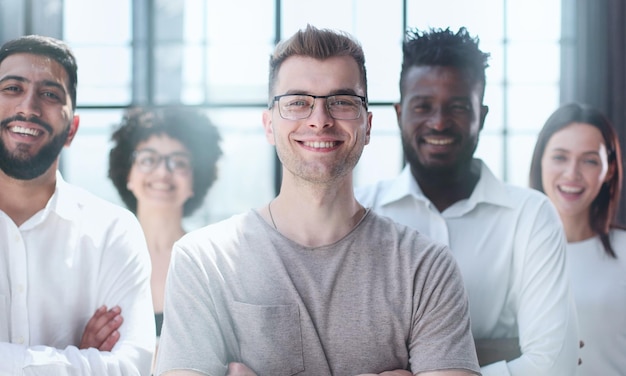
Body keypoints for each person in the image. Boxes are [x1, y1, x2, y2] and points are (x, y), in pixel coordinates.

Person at [155, 25, 480, 376]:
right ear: (269, 125)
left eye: (341, 102)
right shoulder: (205, 261)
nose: (320, 120)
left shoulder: (425, 267)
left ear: (367, 126)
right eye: (297, 103)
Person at [355, 27, 579, 375]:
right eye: (423, 106)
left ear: (483, 115)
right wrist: (497, 353)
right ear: (400, 114)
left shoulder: (531, 216)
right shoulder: (360, 213)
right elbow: (341, 356)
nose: (439, 122)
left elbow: (555, 366)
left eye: (458, 106)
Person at [0, 35, 154, 374]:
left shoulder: (113, 230)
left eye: (50, 94)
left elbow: (132, 367)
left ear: (72, 129)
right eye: (12, 88)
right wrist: (79, 360)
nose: (28, 106)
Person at [108, 106, 222, 369]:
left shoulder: (211, 261)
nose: (162, 173)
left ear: (196, 179)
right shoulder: (105, 255)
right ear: (128, 173)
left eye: (179, 162)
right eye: (148, 159)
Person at [529, 102, 626, 375]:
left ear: (609, 170)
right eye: (560, 157)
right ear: (541, 161)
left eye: (589, 160)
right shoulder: (510, 254)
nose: (572, 173)